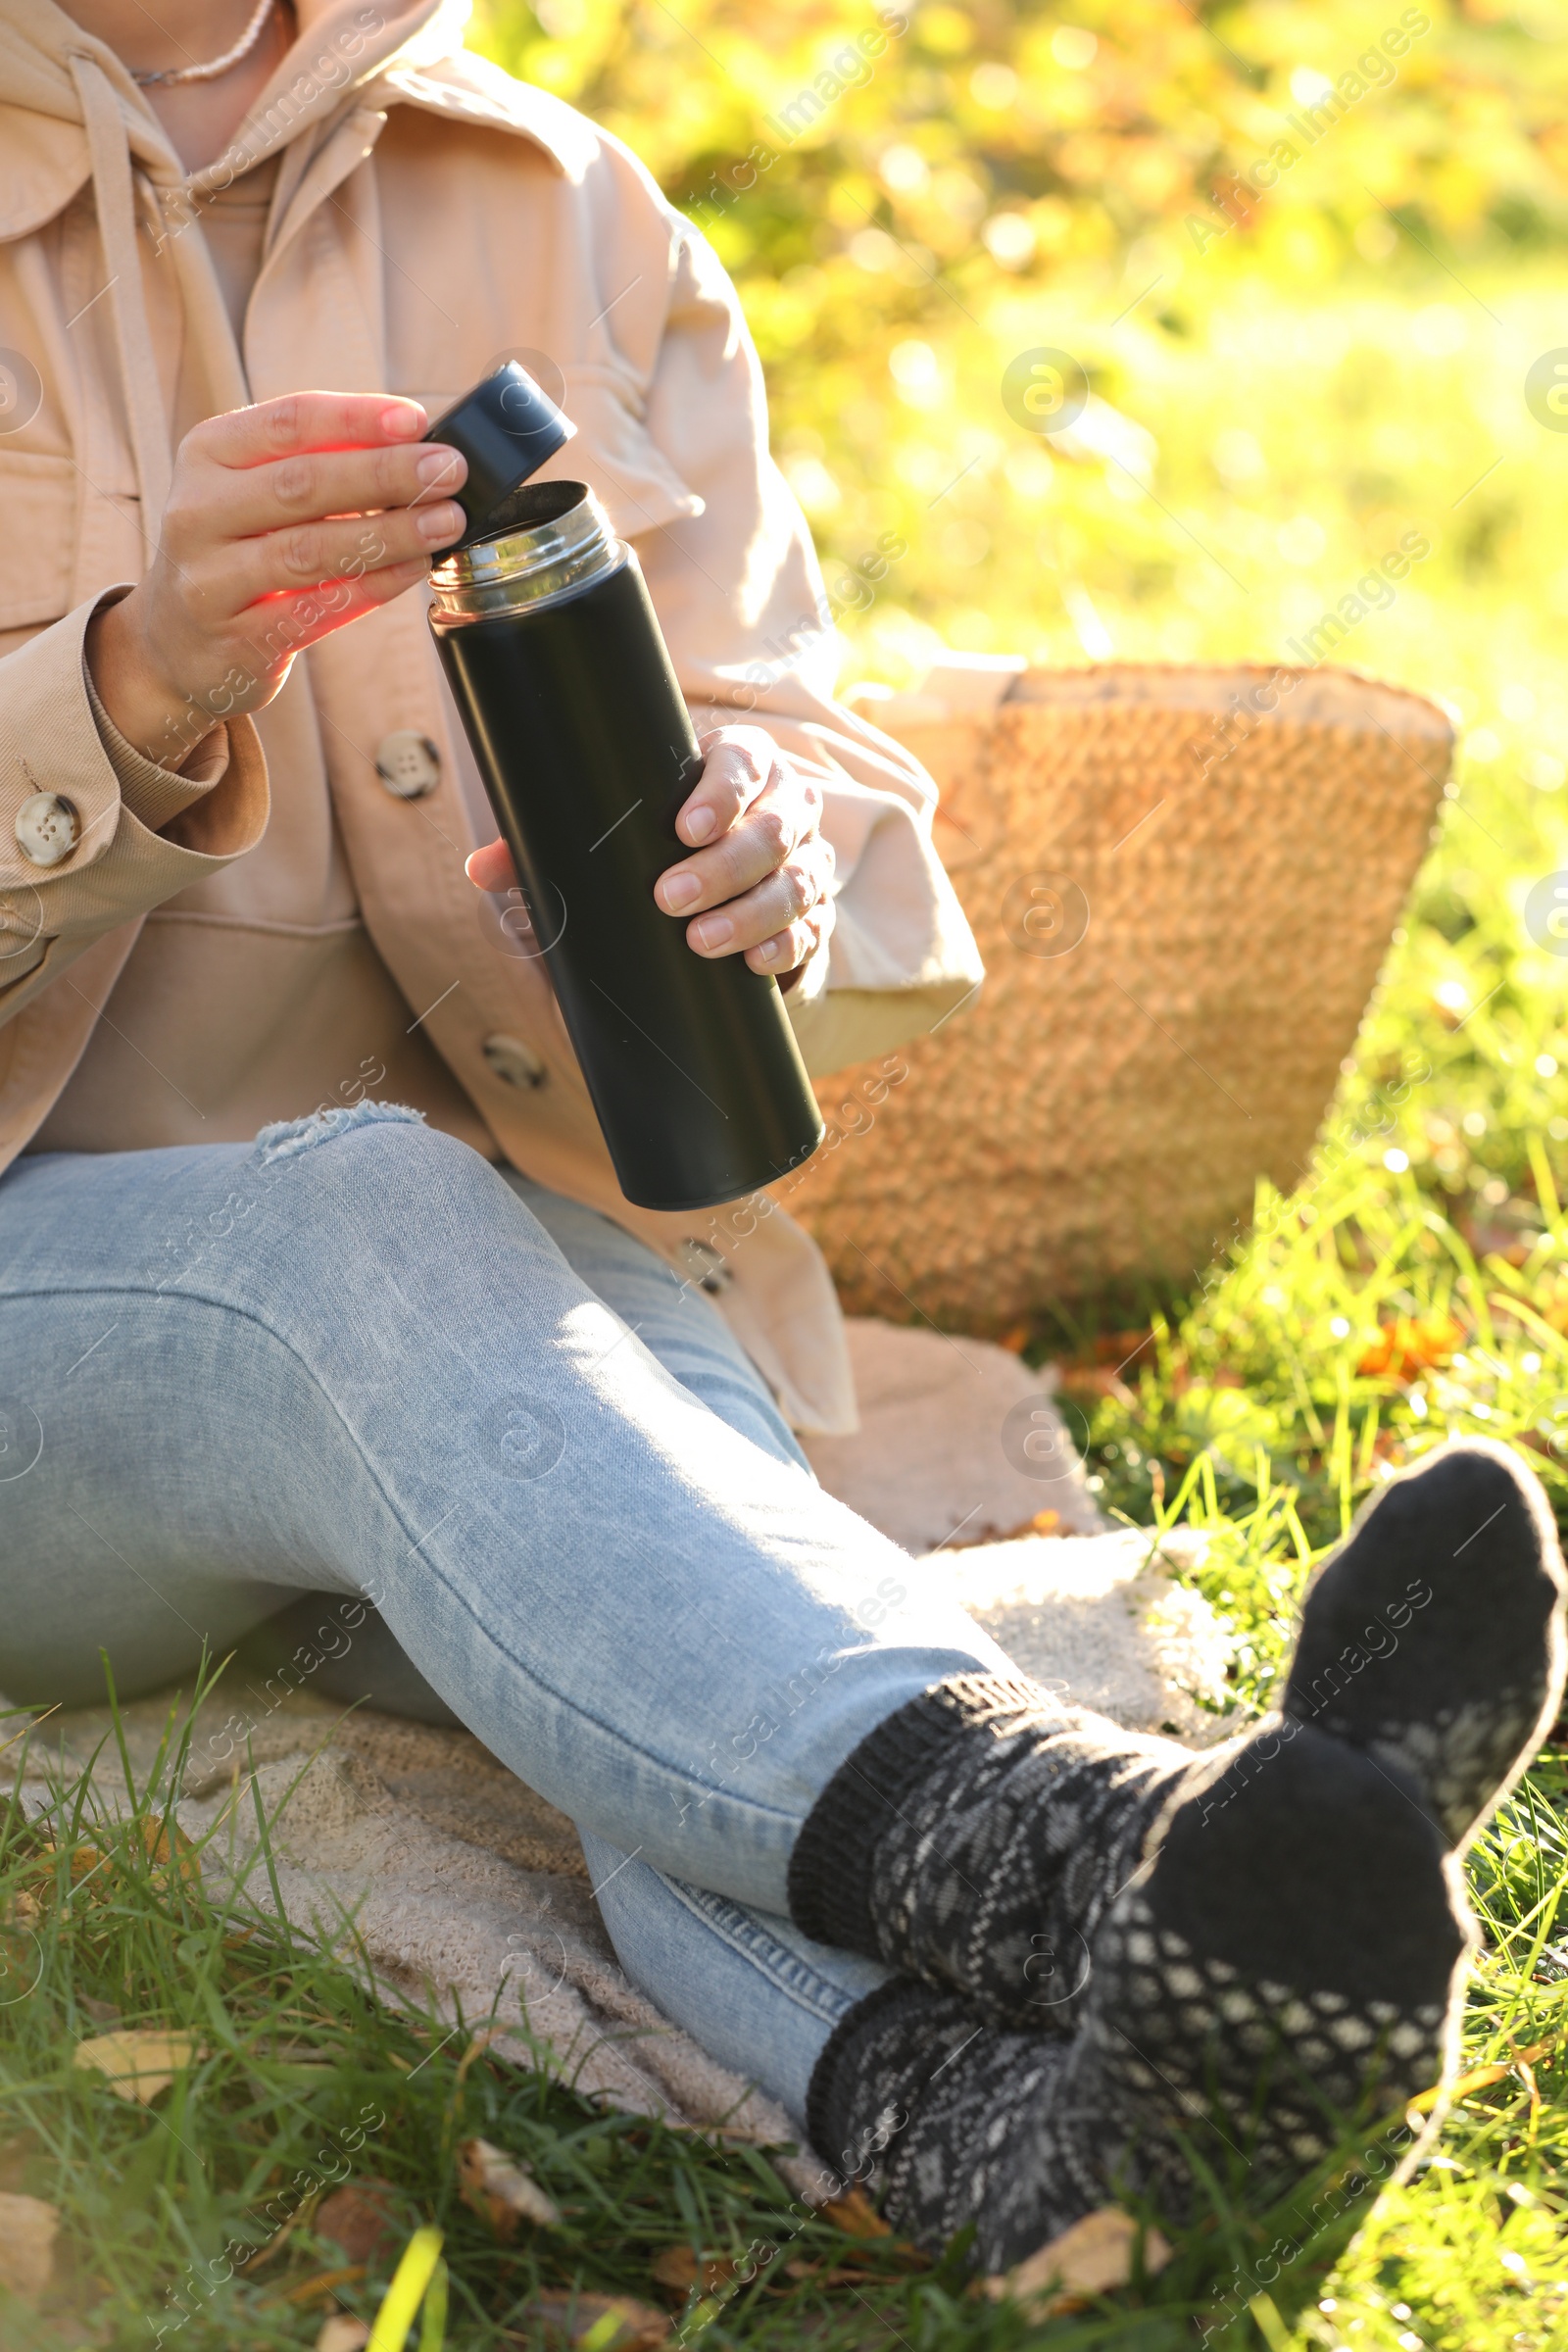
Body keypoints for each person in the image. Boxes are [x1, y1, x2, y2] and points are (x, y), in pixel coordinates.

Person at [1, 0, 1563, 2270]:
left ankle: (1054, 2147)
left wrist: (775, 844)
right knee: (358, 1226)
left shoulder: (559, 204)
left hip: (513, 1278)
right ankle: (1117, 1850)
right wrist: (124, 684)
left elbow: (783, 719)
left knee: (659, 1639)